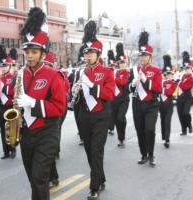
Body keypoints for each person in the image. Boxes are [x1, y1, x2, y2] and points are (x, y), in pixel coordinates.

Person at [16, 7, 66, 200]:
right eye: (27, 51)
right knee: (32, 179)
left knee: (39, 178)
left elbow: (60, 107)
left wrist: (34, 104)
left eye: (34, 52)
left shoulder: (53, 75)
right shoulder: (21, 75)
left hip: (47, 132)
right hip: (27, 133)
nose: (29, 56)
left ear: (42, 53)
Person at [73, 20, 115, 199]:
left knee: (97, 150)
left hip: (100, 115)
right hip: (84, 115)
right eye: (86, 53)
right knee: (90, 150)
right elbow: (77, 95)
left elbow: (110, 94)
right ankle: (101, 177)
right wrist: (75, 91)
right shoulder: (81, 72)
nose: (88, 56)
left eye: (91, 53)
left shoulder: (106, 72)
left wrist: (92, 86)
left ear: (98, 54)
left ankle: (94, 186)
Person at [128, 31, 162, 167]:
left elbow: (158, 88)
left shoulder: (156, 70)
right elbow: (127, 89)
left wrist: (145, 80)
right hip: (137, 104)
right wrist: (132, 84)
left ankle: (151, 154)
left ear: (150, 56)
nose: (142, 58)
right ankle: (143, 154)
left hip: (151, 104)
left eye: (145, 55)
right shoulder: (133, 70)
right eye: (140, 55)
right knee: (139, 130)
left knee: (149, 129)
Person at [43, 52, 70, 188]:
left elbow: (63, 94)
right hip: (40, 115)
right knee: (47, 150)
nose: (45, 67)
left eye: (47, 64)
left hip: (56, 111)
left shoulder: (58, 75)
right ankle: (53, 176)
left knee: (48, 147)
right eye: (44, 64)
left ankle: (52, 177)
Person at [111, 43, 130, 147]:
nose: (122, 64)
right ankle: (120, 138)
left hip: (124, 99)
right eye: (120, 63)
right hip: (114, 100)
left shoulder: (127, 72)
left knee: (120, 117)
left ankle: (122, 137)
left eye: (123, 62)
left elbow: (123, 82)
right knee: (116, 119)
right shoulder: (115, 72)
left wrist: (114, 77)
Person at [0, 54, 16, 159]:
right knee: (2, 130)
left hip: (9, 106)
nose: (3, 67)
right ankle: (5, 151)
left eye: (5, 65)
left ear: (9, 66)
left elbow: (13, 92)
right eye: (2, 66)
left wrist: (4, 89)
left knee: (10, 128)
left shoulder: (12, 78)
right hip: (1, 106)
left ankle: (12, 149)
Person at [160, 55, 177, 148]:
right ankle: (164, 137)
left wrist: (162, 89)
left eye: (170, 74)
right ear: (164, 75)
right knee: (162, 121)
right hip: (161, 105)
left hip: (169, 105)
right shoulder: (161, 82)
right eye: (167, 74)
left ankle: (167, 139)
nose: (169, 75)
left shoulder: (174, 84)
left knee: (167, 122)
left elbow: (169, 92)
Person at [177, 51, 193, 136]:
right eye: (185, 68)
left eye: (188, 68)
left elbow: (185, 87)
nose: (186, 70)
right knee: (180, 115)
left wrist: (179, 82)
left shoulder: (191, 79)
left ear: (191, 69)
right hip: (180, 98)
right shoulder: (182, 76)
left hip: (187, 97)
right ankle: (183, 130)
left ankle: (189, 125)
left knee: (185, 113)